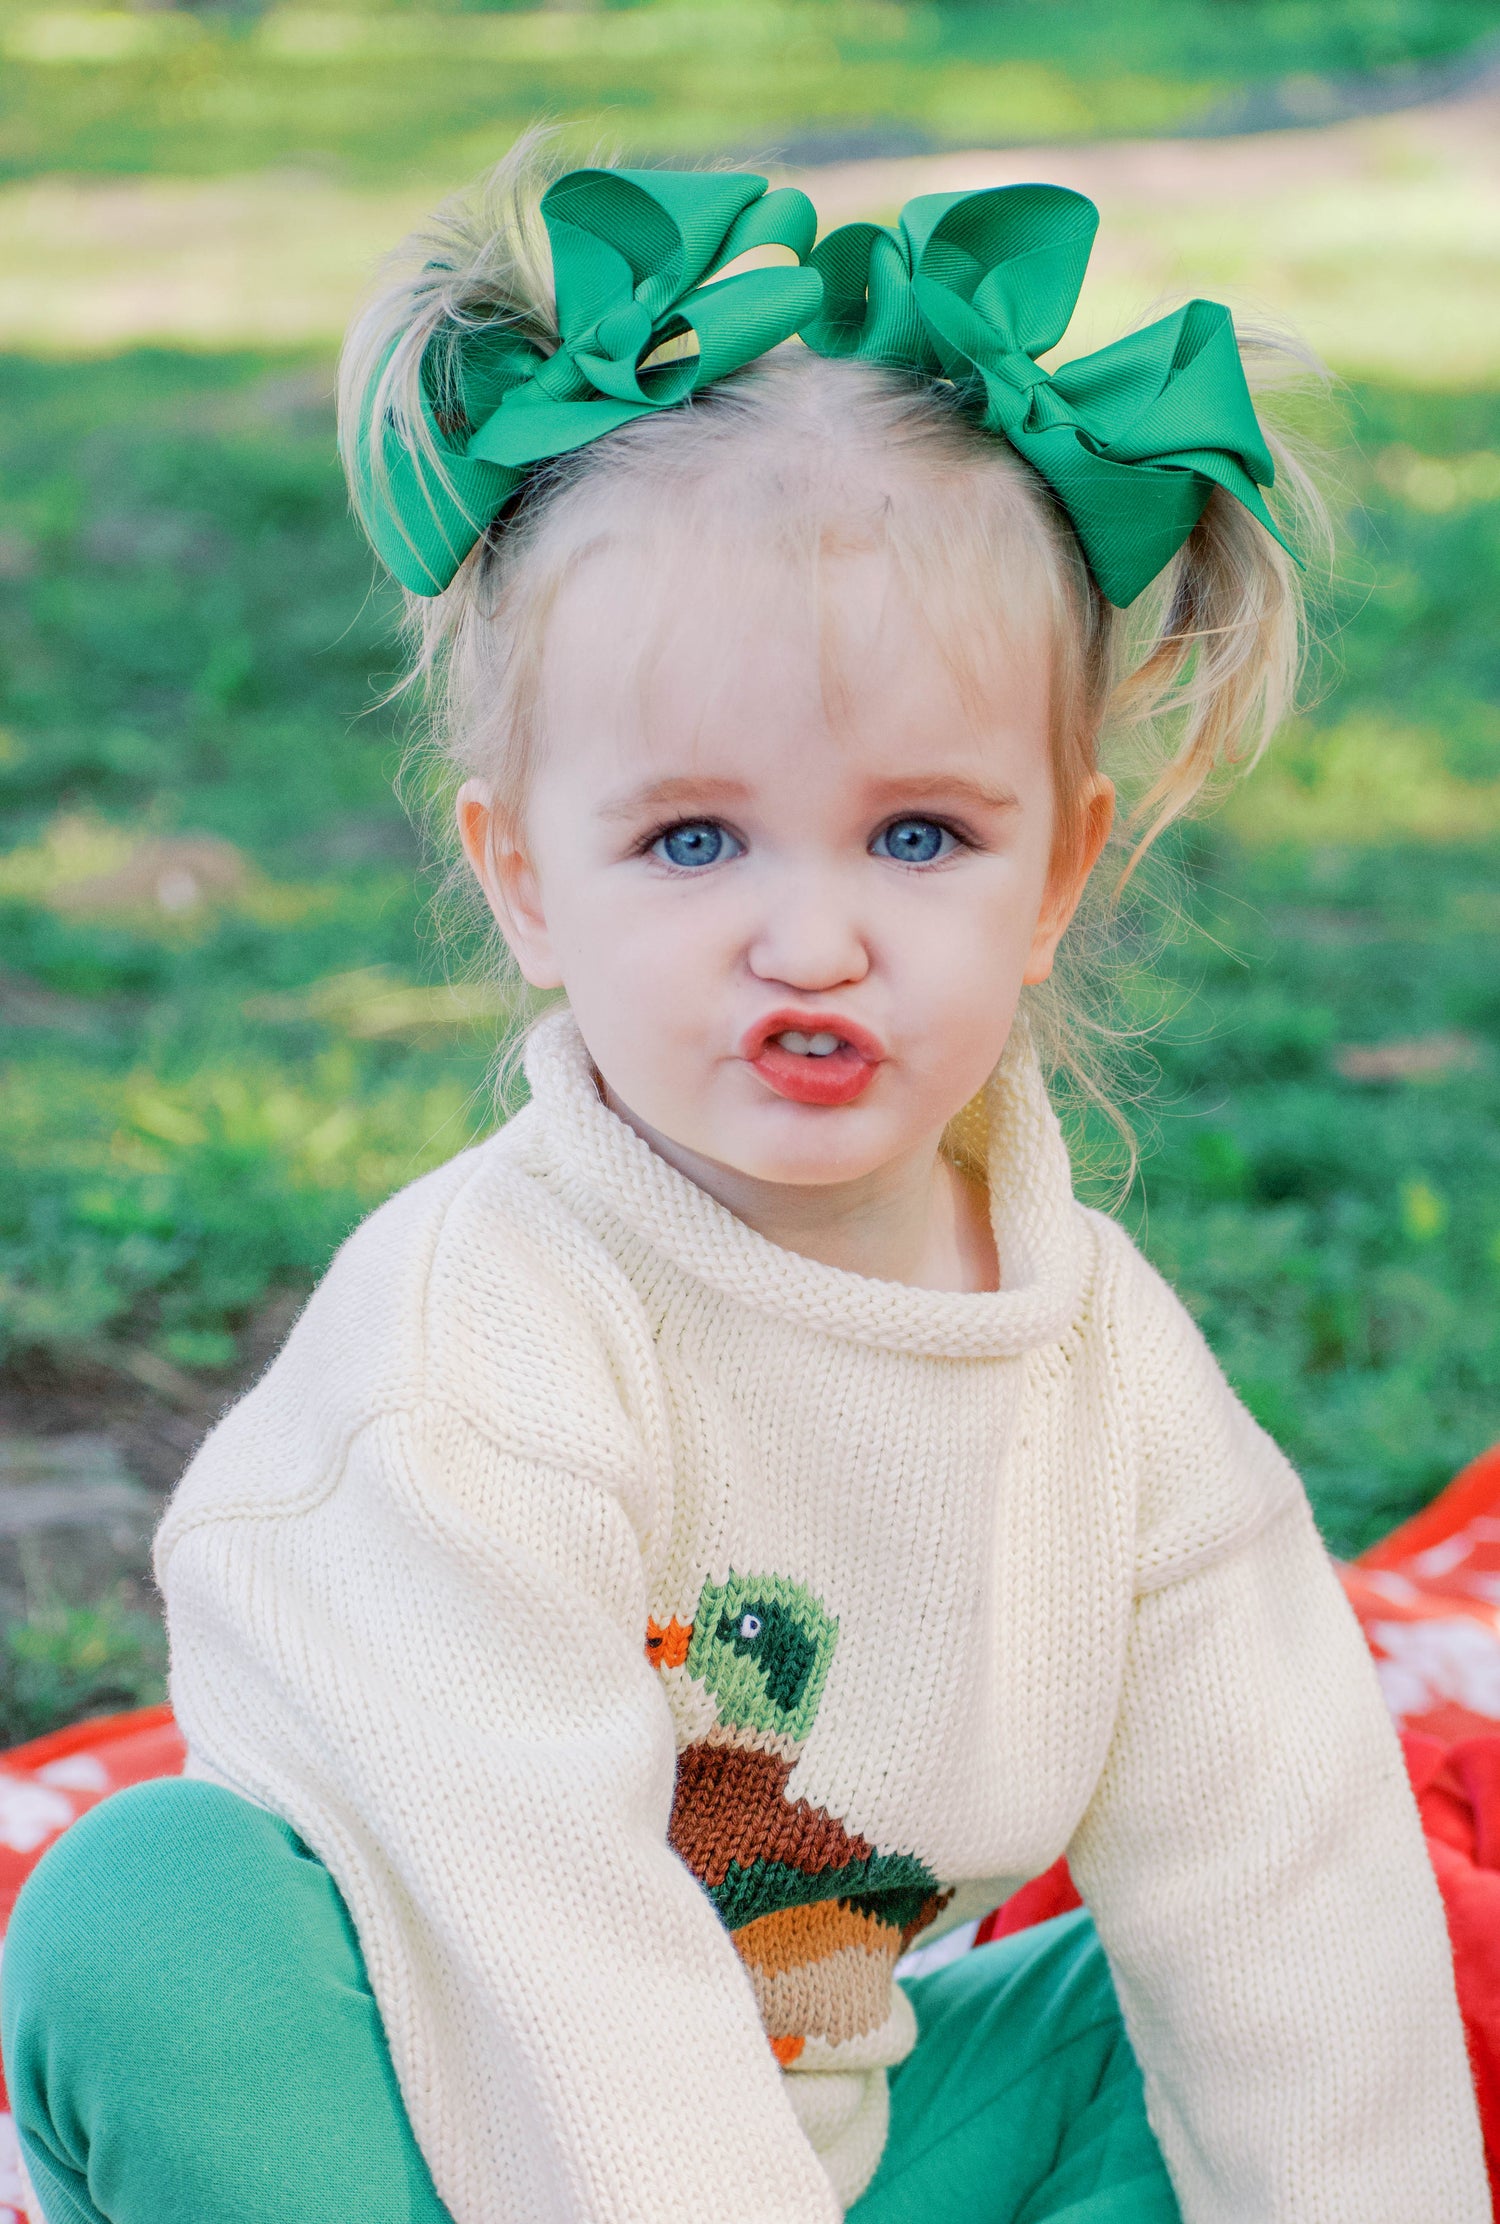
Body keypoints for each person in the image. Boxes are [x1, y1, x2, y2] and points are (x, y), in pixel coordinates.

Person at [2, 148, 1487, 2224]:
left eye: (917, 836)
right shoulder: (485, 1349)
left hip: (823, 2148)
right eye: (695, 841)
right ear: (527, 877)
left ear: (1059, 870)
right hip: (423, 2125)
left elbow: (1283, 1865)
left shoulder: (1094, 1366)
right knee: (146, 1913)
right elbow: (560, 1964)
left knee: (1247, 2010)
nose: (811, 938)